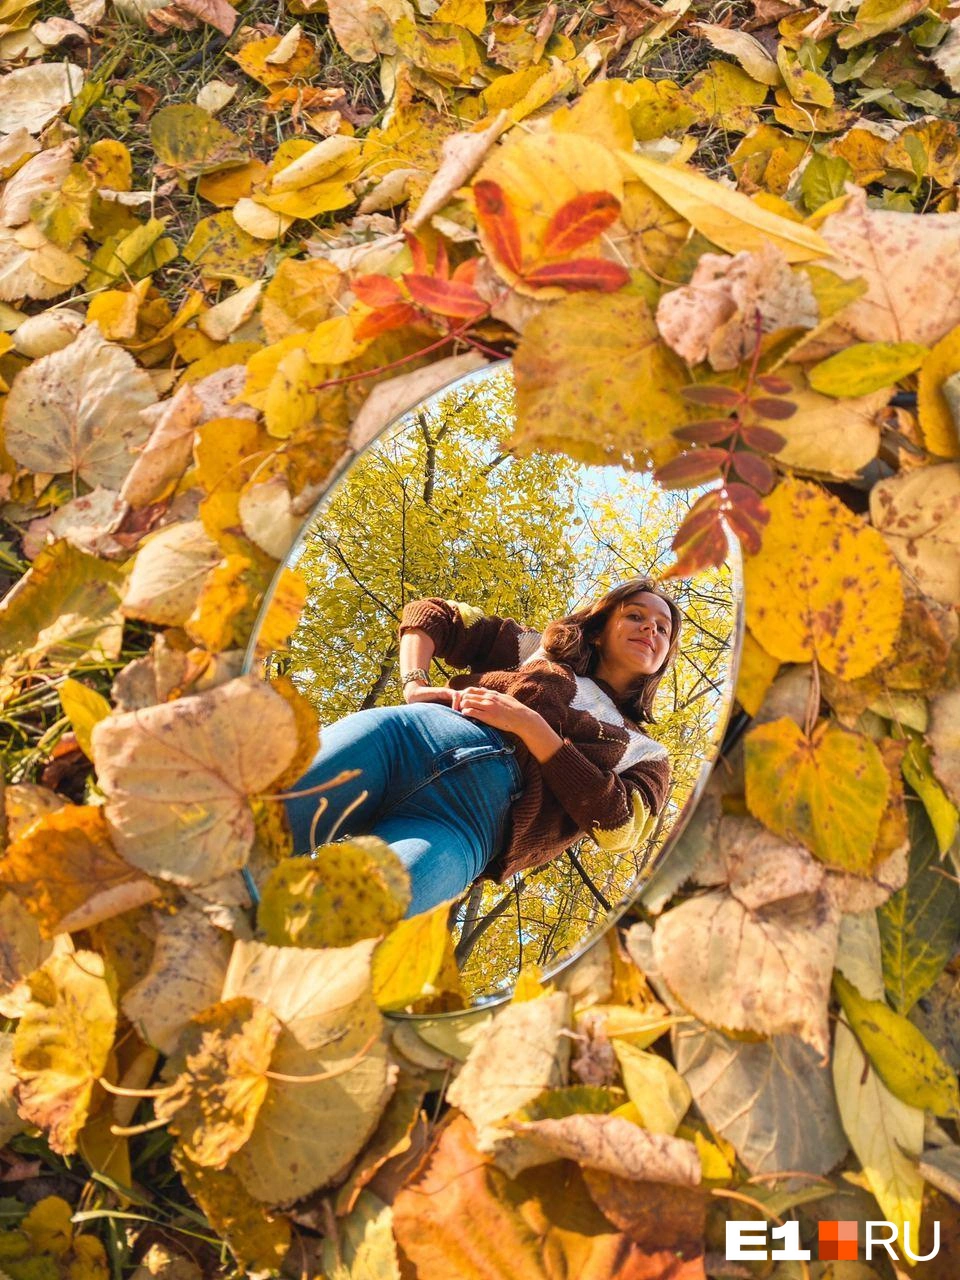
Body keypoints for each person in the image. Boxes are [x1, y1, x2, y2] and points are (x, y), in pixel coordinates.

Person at [282, 578, 680, 917]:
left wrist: (532, 727)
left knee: (345, 919)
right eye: (635, 616)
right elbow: (433, 613)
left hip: (462, 827)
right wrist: (415, 683)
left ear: (665, 657)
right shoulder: (537, 653)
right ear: (599, 628)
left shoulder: (648, 753)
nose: (650, 630)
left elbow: (621, 828)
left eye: (663, 629)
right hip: (403, 739)